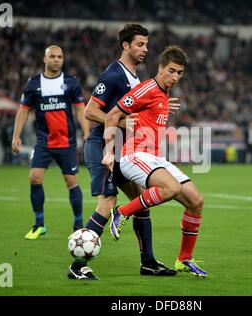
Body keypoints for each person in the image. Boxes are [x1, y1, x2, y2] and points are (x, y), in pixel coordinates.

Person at [70, 24, 176, 280]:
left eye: (147, 45)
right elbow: (91, 111)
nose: (145, 49)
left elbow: (133, 110)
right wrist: (118, 122)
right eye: (140, 44)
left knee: (142, 203)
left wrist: (159, 105)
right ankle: (76, 267)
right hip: (102, 147)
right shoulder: (114, 75)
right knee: (108, 202)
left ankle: (148, 263)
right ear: (125, 45)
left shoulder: (135, 77)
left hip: (123, 151)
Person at [102, 45, 208, 278]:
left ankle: (184, 260)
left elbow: (146, 113)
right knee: (171, 188)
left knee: (196, 201)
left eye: (180, 73)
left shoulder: (162, 94)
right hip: (134, 155)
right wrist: (109, 152)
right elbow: (112, 115)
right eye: (171, 71)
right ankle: (121, 212)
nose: (175, 77)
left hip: (155, 158)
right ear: (160, 68)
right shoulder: (147, 88)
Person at [11, 45, 91, 266]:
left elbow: (79, 109)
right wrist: (16, 135)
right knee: (34, 178)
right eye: (52, 57)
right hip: (43, 142)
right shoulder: (33, 84)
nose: (57, 60)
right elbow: (23, 110)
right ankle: (39, 224)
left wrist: (86, 133)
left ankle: (77, 226)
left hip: (66, 142)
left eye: (60, 57)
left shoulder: (71, 82)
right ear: (44, 59)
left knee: (71, 181)